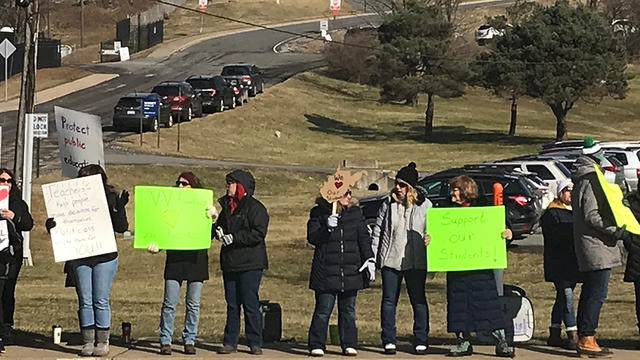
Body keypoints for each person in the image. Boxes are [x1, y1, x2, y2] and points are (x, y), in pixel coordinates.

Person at [45, 164, 129, 357]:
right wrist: (51, 225)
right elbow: (61, 223)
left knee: (100, 299)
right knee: (85, 299)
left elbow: (121, 227)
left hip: (104, 256)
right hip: (80, 254)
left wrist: (118, 209)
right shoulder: (70, 200)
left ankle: (102, 341)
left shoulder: (109, 198)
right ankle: (88, 341)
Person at [434, 175, 515, 358]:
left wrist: (507, 233)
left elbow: (500, 230)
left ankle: (500, 342)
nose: (452, 193)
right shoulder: (445, 212)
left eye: (455, 189)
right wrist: (430, 239)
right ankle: (463, 341)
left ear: (465, 190)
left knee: (488, 305)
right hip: (457, 268)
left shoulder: (484, 209)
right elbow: (438, 236)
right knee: (458, 306)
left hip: (481, 267)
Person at [147, 172, 217, 356]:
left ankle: (189, 339)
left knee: (193, 303)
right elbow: (163, 227)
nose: (180, 186)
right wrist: (156, 245)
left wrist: (212, 219)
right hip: (175, 260)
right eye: (178, 183)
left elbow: (210, 235)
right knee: (169, 302)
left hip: (196, 260)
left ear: (192, 186)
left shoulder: (202, 205)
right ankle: (165, 340)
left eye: (184, 184)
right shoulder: (171, 203)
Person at [572, 137, 626, 357]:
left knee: (591, 292)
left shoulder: (586, 179)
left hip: (594, 246)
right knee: (596, 293)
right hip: (596, 247)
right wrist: (615, 230)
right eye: (601, 155)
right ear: (594, 157)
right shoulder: (591, 179)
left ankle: (587, 335)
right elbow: (592, 215)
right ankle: (586, 336)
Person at [370, 162, 432, 355]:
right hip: (391, 259)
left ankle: (421, 339)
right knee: (389, 301)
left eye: (403, 184)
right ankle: (389, 339)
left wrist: (430, 240)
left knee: (418, 300)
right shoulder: (388, 204)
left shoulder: (426, 205)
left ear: (412, 187)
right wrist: (373, 258)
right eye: (397, 183)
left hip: (415, 261)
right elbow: (377, 231)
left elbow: (434, 231)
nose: (398, 188)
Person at [307, 189, 374, 357]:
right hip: (326, 270)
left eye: (349, 194)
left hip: (351, 270)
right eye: (345, 194)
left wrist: (369, 258)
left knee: (348, 310)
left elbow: (363, 238)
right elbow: (312, 237)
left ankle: (349, 343)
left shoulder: (355, 213)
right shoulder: (319, 212)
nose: (348, 197)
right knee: (323, 309)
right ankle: (317, 343)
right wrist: (327, 229)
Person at [213, 169, 269, 355]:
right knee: (232, 303)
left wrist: (234, 237)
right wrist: (216, 227)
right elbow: (220, 227)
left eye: (230, 183)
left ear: (240, 185)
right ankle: (230, 341)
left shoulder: (255, 208)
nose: (227, 186)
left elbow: (258, 233)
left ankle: (255, 342)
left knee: (250, 302)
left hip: (251, 263)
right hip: (230, 262)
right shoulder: (227, 206)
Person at [540, 179, 581, 350]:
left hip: (573, 262)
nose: (570, 193)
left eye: (573, 190)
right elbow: (555, 238)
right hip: (558, 262)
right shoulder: (552, 212)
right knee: (567, 297)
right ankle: (573, 334)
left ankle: (554, 332)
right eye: (566, 190)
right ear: (560, 193)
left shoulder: (577, 211)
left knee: (562, 297)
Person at [0, 169, 33, 351]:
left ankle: (6, 325)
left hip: (12, 253)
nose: (5, 183)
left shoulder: (17, 203)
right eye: (1, 180)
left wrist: (14, 217)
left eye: (8, 180)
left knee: (8, 288)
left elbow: (28, 223)